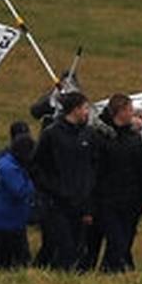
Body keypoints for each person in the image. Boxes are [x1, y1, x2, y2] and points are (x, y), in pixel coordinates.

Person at [85, 94, 142, 273]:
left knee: (124, 241)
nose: (133, 114)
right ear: (120, 112)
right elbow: (92, 172)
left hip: (131, 202)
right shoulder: (99, 138)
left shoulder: (133, 138)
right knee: (116, 240)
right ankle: (110, 271)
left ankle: (111, 271)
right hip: (106, 201)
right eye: (130, 110)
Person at [31, 91, 97, 272]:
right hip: (56, 203)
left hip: (80, 203)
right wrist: (53, 189)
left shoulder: (89, 135)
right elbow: (36, 167)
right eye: (84, 108)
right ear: (75, 110)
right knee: (63, 248)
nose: (87, 112)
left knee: (77, 248)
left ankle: (63, 281)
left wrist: (88, 200)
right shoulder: (51, 134)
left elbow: (93, 167)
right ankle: (57, 280)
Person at [0, 128, 37, 269]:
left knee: (9, 259)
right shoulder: (10, 168)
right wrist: (32, 179)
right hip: (7, 221)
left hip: (2, 218)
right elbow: (21, 191)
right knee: (11, 261)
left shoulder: (4, 162)